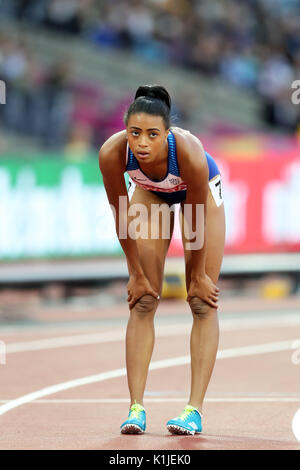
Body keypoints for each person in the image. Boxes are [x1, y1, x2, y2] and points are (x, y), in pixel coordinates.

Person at [99, 85, 225, 435]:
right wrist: (135, 273)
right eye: (134, 133)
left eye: (152, 135)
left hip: (196, 196)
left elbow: (196, 219)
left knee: (202, 300)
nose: (141, 143)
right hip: (152, 193)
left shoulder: (188, 151)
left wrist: (197, 275)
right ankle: (136, 408)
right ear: (126, 131)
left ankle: (193, 411)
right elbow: (121, 216)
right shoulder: (113, 153)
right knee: (142, 299)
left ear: (166, 134)